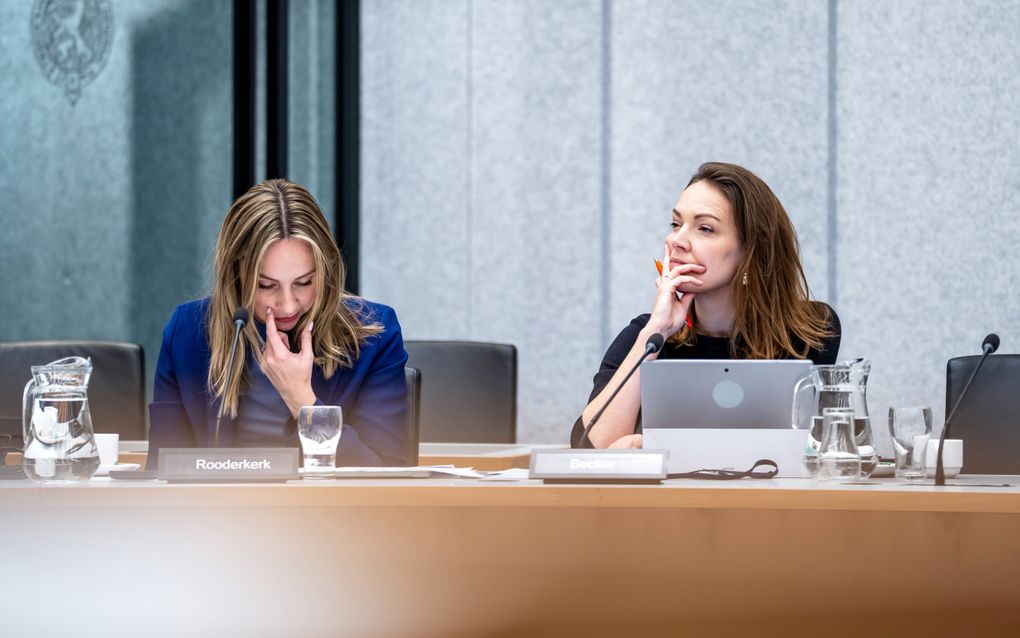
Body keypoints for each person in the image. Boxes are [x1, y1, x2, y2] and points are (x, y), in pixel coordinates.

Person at [571, 162, 840, 449]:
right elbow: (591, 447)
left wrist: (663, 447)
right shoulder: (647, 336)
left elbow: (803, 446)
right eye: (676, 224)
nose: (676, 240)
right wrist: (658, 329)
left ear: (751, 252)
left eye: (705, 228)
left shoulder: (810, 330)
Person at [147, 179, 408, 467]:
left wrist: (302, 401)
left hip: (330, 511)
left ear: (326, 271)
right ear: (237, 275)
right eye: (266, 285)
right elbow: (164, 471)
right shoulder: (186, 333)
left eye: (304, 282)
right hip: (220, 511)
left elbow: (384, 477)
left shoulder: (374, 336)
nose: (287, 304)